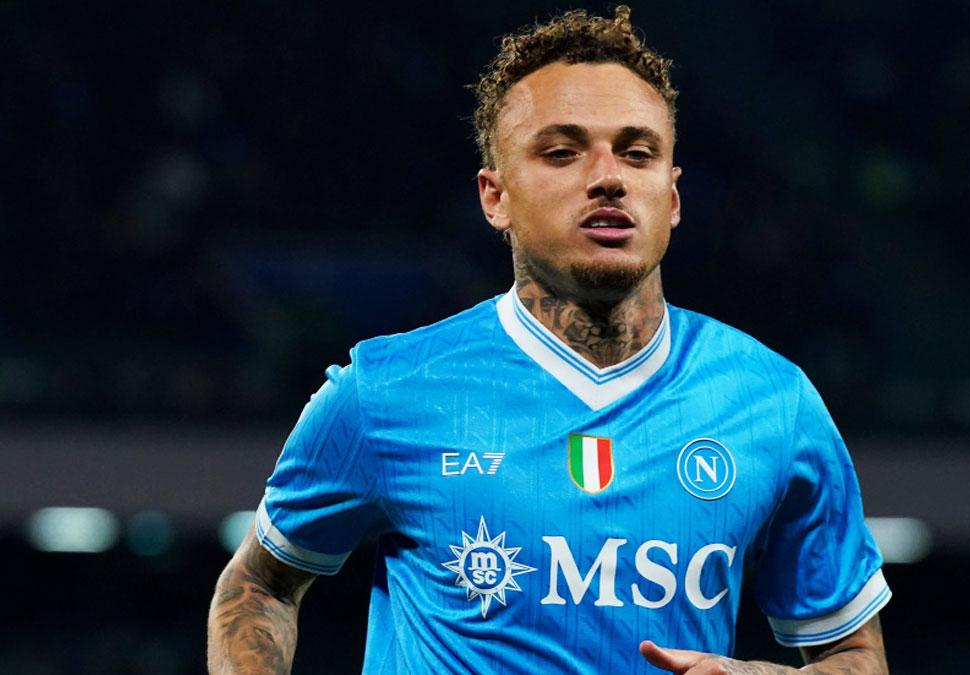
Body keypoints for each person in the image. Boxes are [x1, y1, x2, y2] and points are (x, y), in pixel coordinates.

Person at [207, 6, 890, 674]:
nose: (608, 177)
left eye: (638, 153)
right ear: (495, 196)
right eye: (563, 152)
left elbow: (853, 652)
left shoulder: (773, 402)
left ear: (673, 196)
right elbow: (259, 586)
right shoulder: (386, 391)